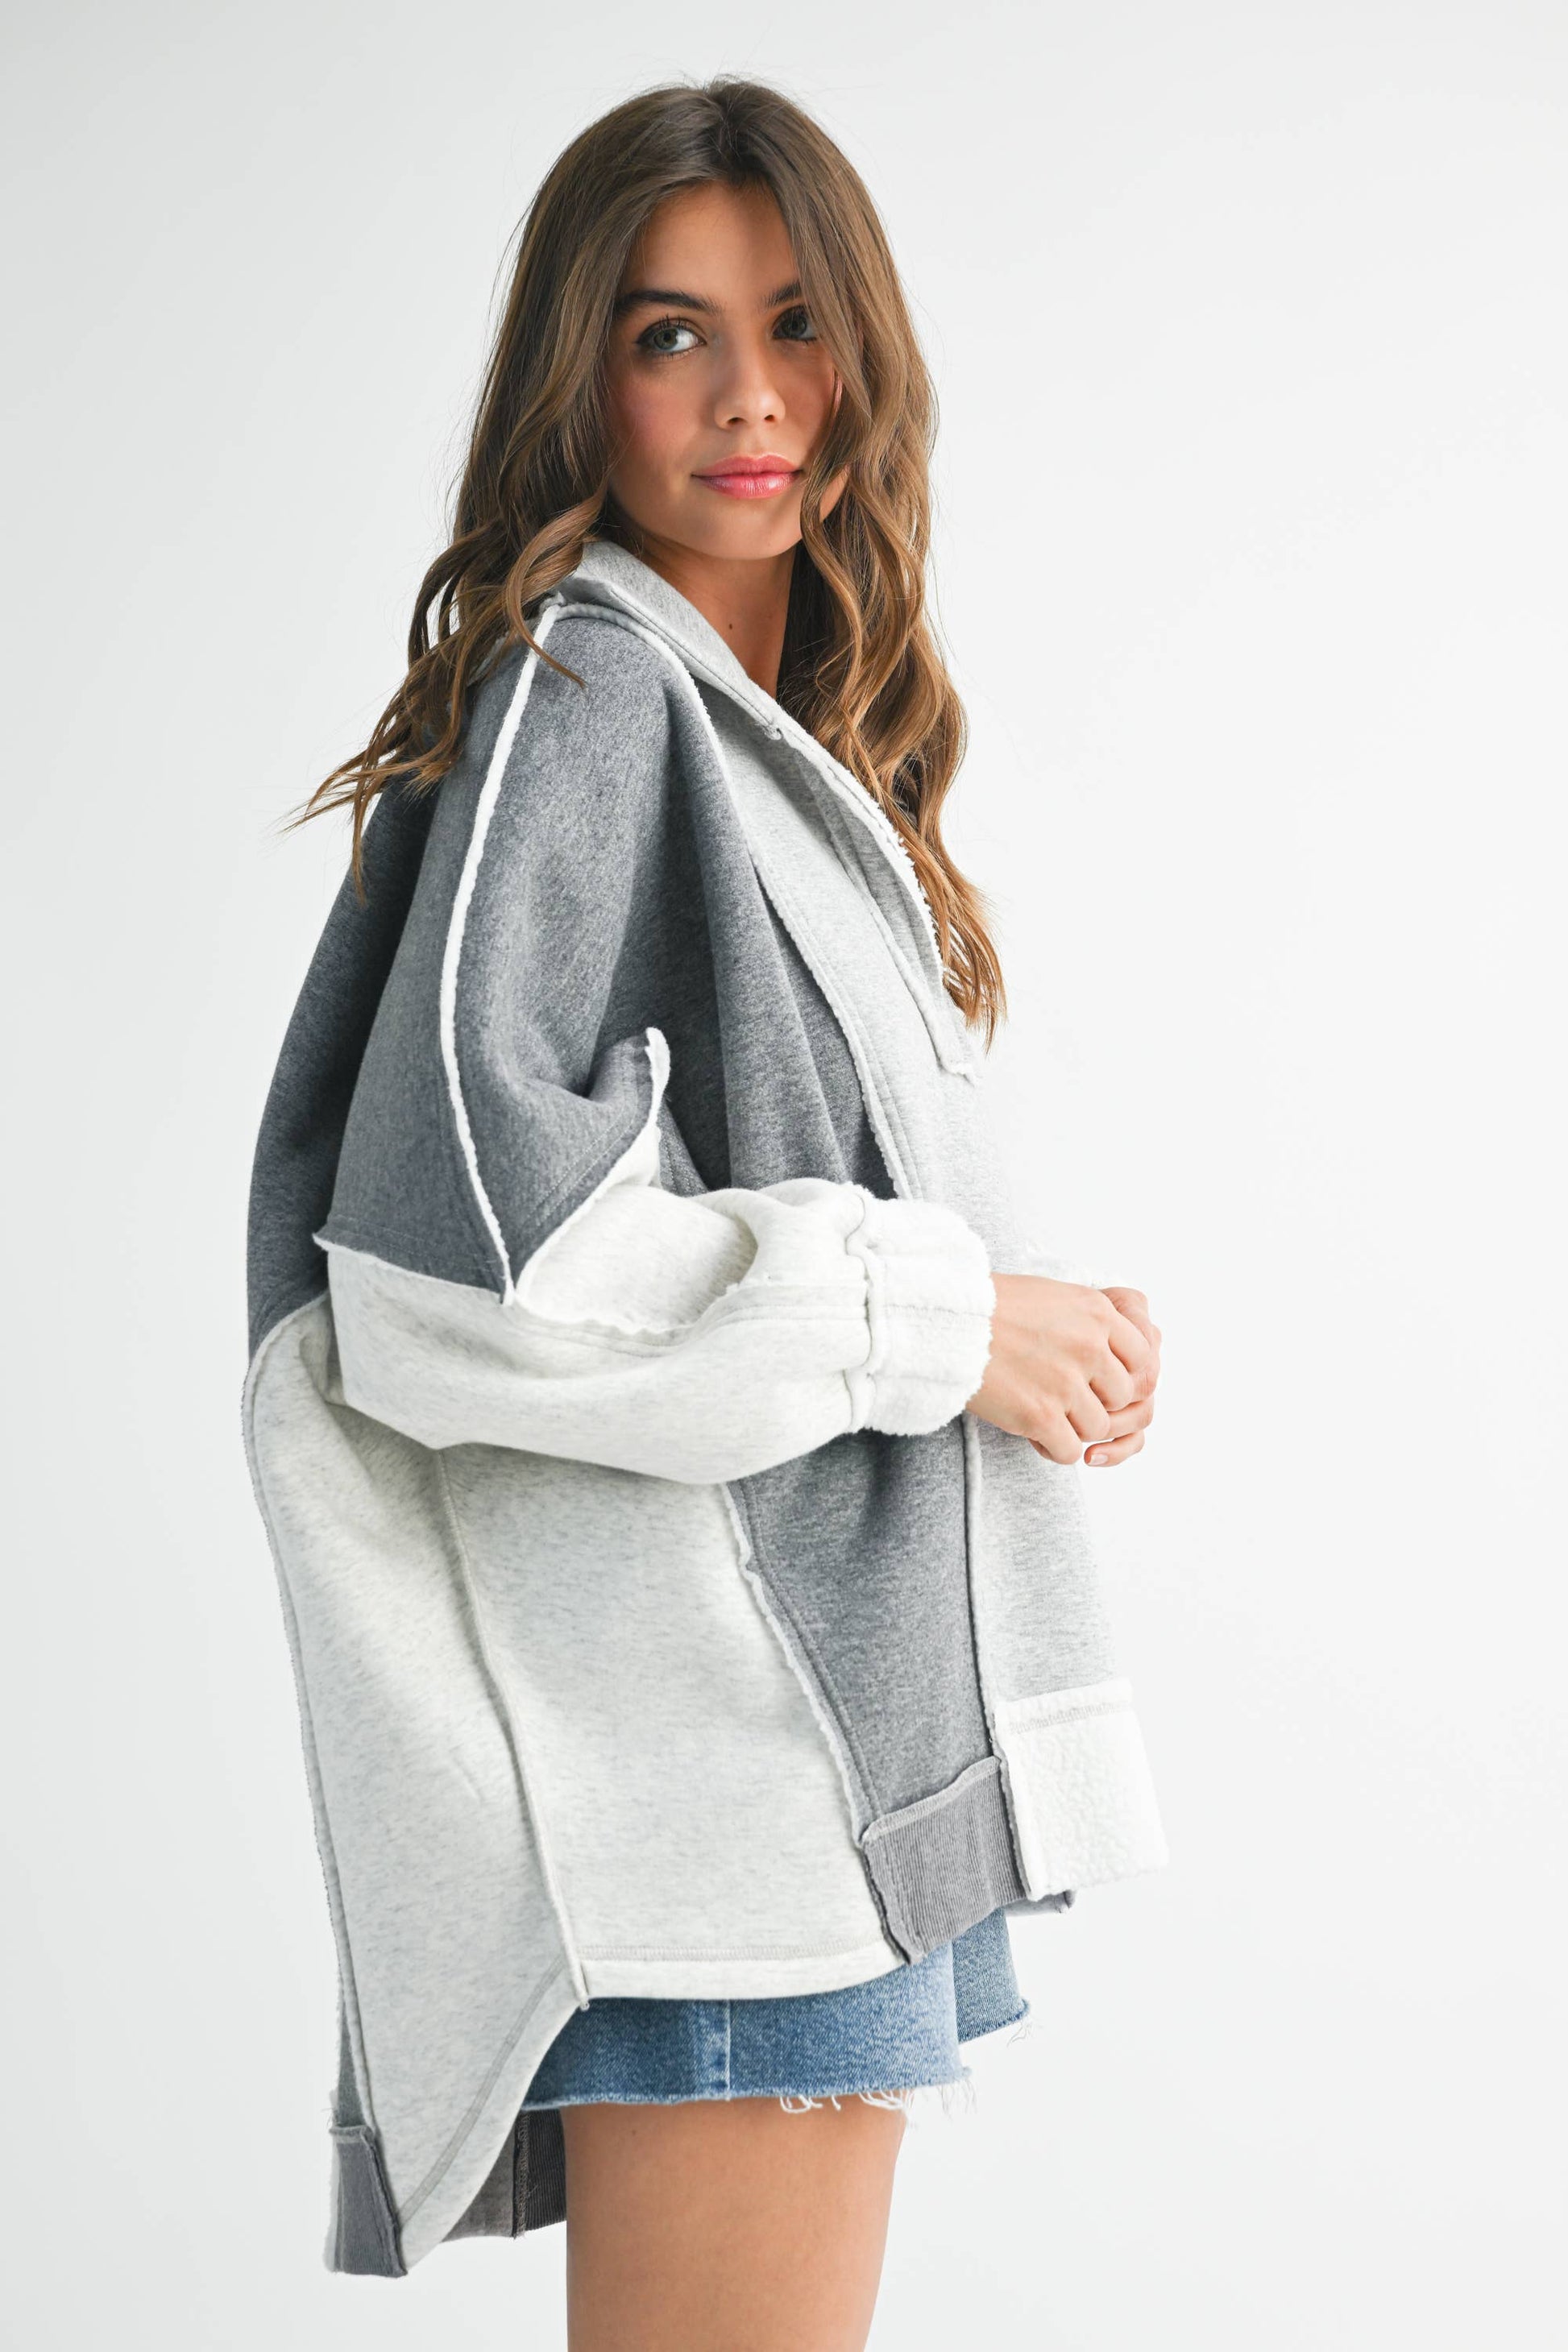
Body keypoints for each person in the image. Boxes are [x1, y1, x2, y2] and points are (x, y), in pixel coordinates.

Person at [243, 75, 1167, 2350]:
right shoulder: (589, 695)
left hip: (786, 1794)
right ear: (583, 378)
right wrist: (950, 1328)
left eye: (793, 324)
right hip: (716, 1811)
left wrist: (1005, 1329)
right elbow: (464, 1272)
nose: (751, 396)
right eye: (672, 334)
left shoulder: (752, 729)